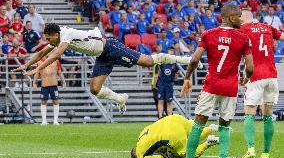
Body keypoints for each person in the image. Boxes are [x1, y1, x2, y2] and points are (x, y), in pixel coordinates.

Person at [12, 23, 192, 114]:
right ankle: (120, 99)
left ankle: (182, 59)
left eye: (49, 38)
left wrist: (37, 69)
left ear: (56, 34)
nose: (48, 41)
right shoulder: (58, 39)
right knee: (94, 89)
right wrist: (26, 65)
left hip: (110, 47)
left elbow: (55, 55)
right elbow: (42, 53)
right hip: (102, 56)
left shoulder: (64, 36)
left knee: (148, 62)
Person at [178, 5, 254, 158]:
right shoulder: (243, 38)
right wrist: (246, 78)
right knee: (224, 126)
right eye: (239, 17)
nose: (242, 20)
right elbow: (250, 67)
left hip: (211, 85)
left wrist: (187, 77)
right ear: (229, 17)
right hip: (230, 88)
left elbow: (195, 59)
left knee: (198, 125)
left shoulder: (208, 34)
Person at [239, 10, 284, 158]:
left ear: (244, 18)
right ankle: (265, 154)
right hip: (272, 76)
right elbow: (282, 36)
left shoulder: (243, 29)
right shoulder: (268, 27)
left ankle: (251, 149)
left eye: (239, 18)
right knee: (267, 115)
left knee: (249, 111)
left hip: (256, 76)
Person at [130, 114, 219, 158]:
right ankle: (211, 129)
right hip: (174, 118)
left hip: (172, 135)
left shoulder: (140, 156)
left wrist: (173, 155)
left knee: (185, 156)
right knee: (193, 133)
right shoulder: (140, 136)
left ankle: (208, 142)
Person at [33, 50, 66, 125]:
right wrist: (34, 83)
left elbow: (60, 73)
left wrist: (64, 82)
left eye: (50, 52)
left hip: (54, 85)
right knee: (43, 102)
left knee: (56, 101)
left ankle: (55, 121)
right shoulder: (39, 62)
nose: (49, 53)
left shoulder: (56, 61)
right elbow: (37, 73)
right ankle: (44, 121)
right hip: (44, 86)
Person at [157, 47, 179, 119]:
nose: (171, 52)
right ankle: (160, 116)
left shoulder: (174, 63)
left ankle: (169, 117)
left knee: (169, 101)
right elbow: (159, 72)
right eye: (170, 50)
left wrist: (175, 80)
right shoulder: (163, 62)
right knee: (161, 100)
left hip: (169, 84)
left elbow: (177, 72)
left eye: (172, 50)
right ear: (167, 51)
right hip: (161, 83)